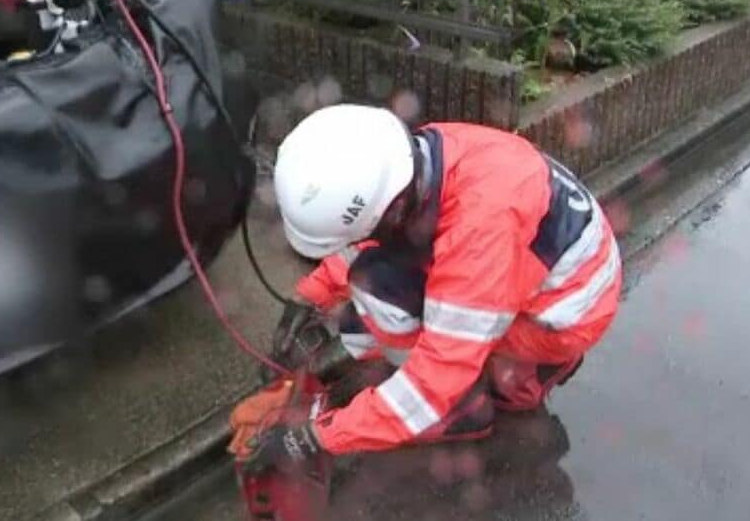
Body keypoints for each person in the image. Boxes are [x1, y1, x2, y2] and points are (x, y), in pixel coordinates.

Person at [243, 103, 621, 471]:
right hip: (557, 278)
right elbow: (371, 235)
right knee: (381, 285)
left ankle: (463, 407)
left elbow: (434, 382)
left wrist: (318, 438)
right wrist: (311, 297)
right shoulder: (417, 159)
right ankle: (512, 364)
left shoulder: (478, 235)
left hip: (562, 317)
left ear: (390, 212)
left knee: (378, 298)